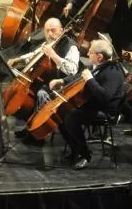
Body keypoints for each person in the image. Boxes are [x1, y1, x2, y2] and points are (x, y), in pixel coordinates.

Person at [48, 39, 123, 170]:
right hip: (91, 105)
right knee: (59, 114)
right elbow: (78, 77)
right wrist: (61, 80)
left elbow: (105, 97)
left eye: (91, 52)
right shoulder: (97, 66)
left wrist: (90, 79)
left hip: (104, 110)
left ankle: (85, 155)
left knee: (71, 117)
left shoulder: (113, 72)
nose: (87, 53)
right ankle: (75, 149)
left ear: (99, 56)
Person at [5, 18, 79, 140]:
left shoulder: (71, 46)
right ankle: (29, 125)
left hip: (61, 84)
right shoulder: (48, 44)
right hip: (45, 80)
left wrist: (53, 55)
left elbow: (72, 70)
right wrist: (18, 60)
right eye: (47, 31)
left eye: (53, 30)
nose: (50, 34)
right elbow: (34, 55)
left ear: (61, 30)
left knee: (41, 94)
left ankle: (37, 133)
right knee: (28, 92)